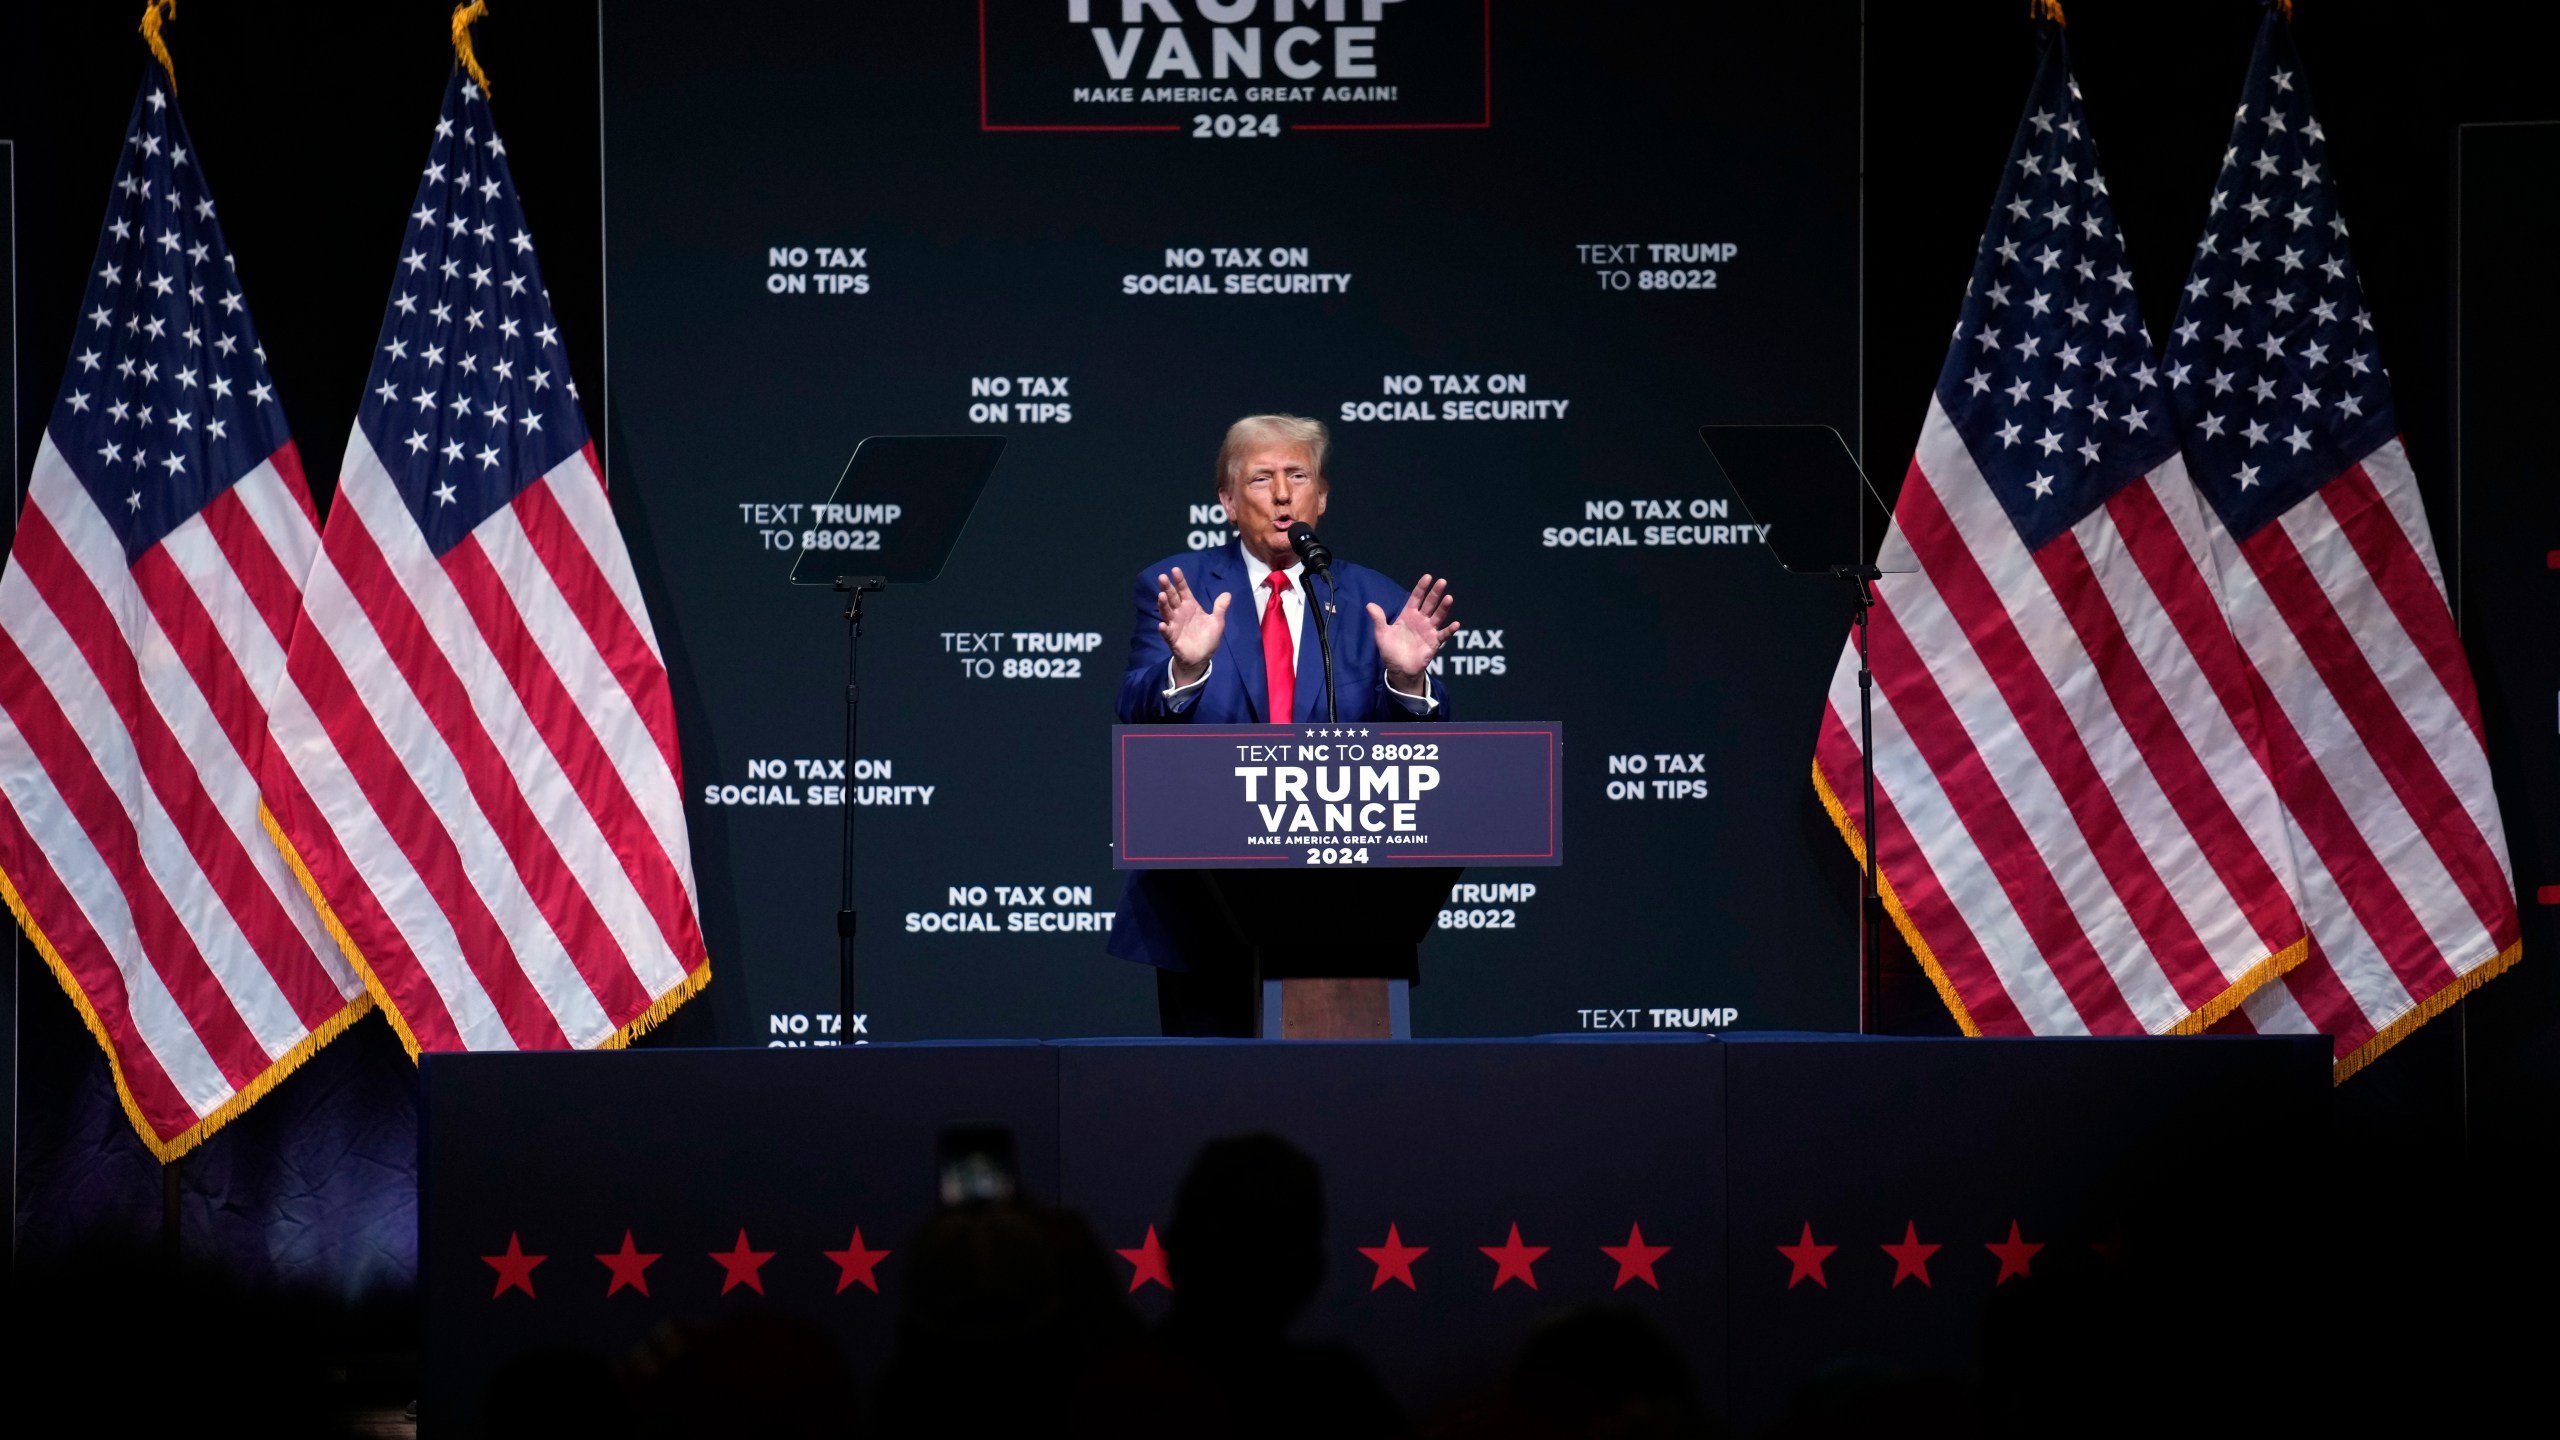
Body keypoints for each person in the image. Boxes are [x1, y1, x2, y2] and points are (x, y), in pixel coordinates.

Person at [1109, 415, 1459, 1036]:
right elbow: (1135, 710)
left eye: (1297, 476)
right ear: (1226, 499)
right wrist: (1186, 667)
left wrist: (1405, 683)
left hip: (1351, 906)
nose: (1280, 495)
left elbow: (1419, 761)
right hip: (1203, 901)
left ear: (1320, 496)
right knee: (1210, 1099)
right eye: (1260, 478)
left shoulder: (1376, 599)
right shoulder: (1177, 588)